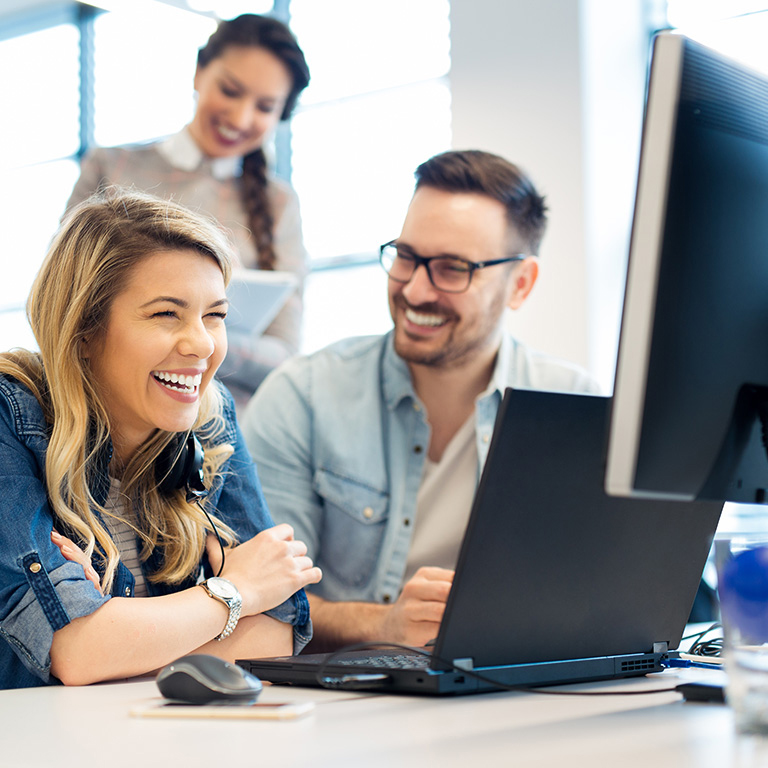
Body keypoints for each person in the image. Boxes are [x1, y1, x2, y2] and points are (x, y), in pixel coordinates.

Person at [241, 149, 601, 652]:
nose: (414, 289)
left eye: (452, 268)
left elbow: (608, 600)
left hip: (517, 694)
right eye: (406, 257)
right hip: (347, 706)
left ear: (520, 284)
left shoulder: (579, 409)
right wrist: (384, 624)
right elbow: (260, 601)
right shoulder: (302, 396)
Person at [0, 189, 321, 689]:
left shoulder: (211, 418)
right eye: (166, 314)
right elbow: (80, 652)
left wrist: (118, 636)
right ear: (84, 329)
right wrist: (234, 592)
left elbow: (275, 636)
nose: (203, 344)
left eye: (214, 314)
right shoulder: (10, 416)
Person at [66, 14, 310, 396]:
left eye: (264, 107)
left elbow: (285, 356)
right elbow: (61, 304)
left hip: (224, 430)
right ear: (199, 73)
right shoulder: (111, 168)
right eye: (230, 91)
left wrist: (196, 337)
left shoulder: (280, 204)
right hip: (107, 410)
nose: (241, 117)